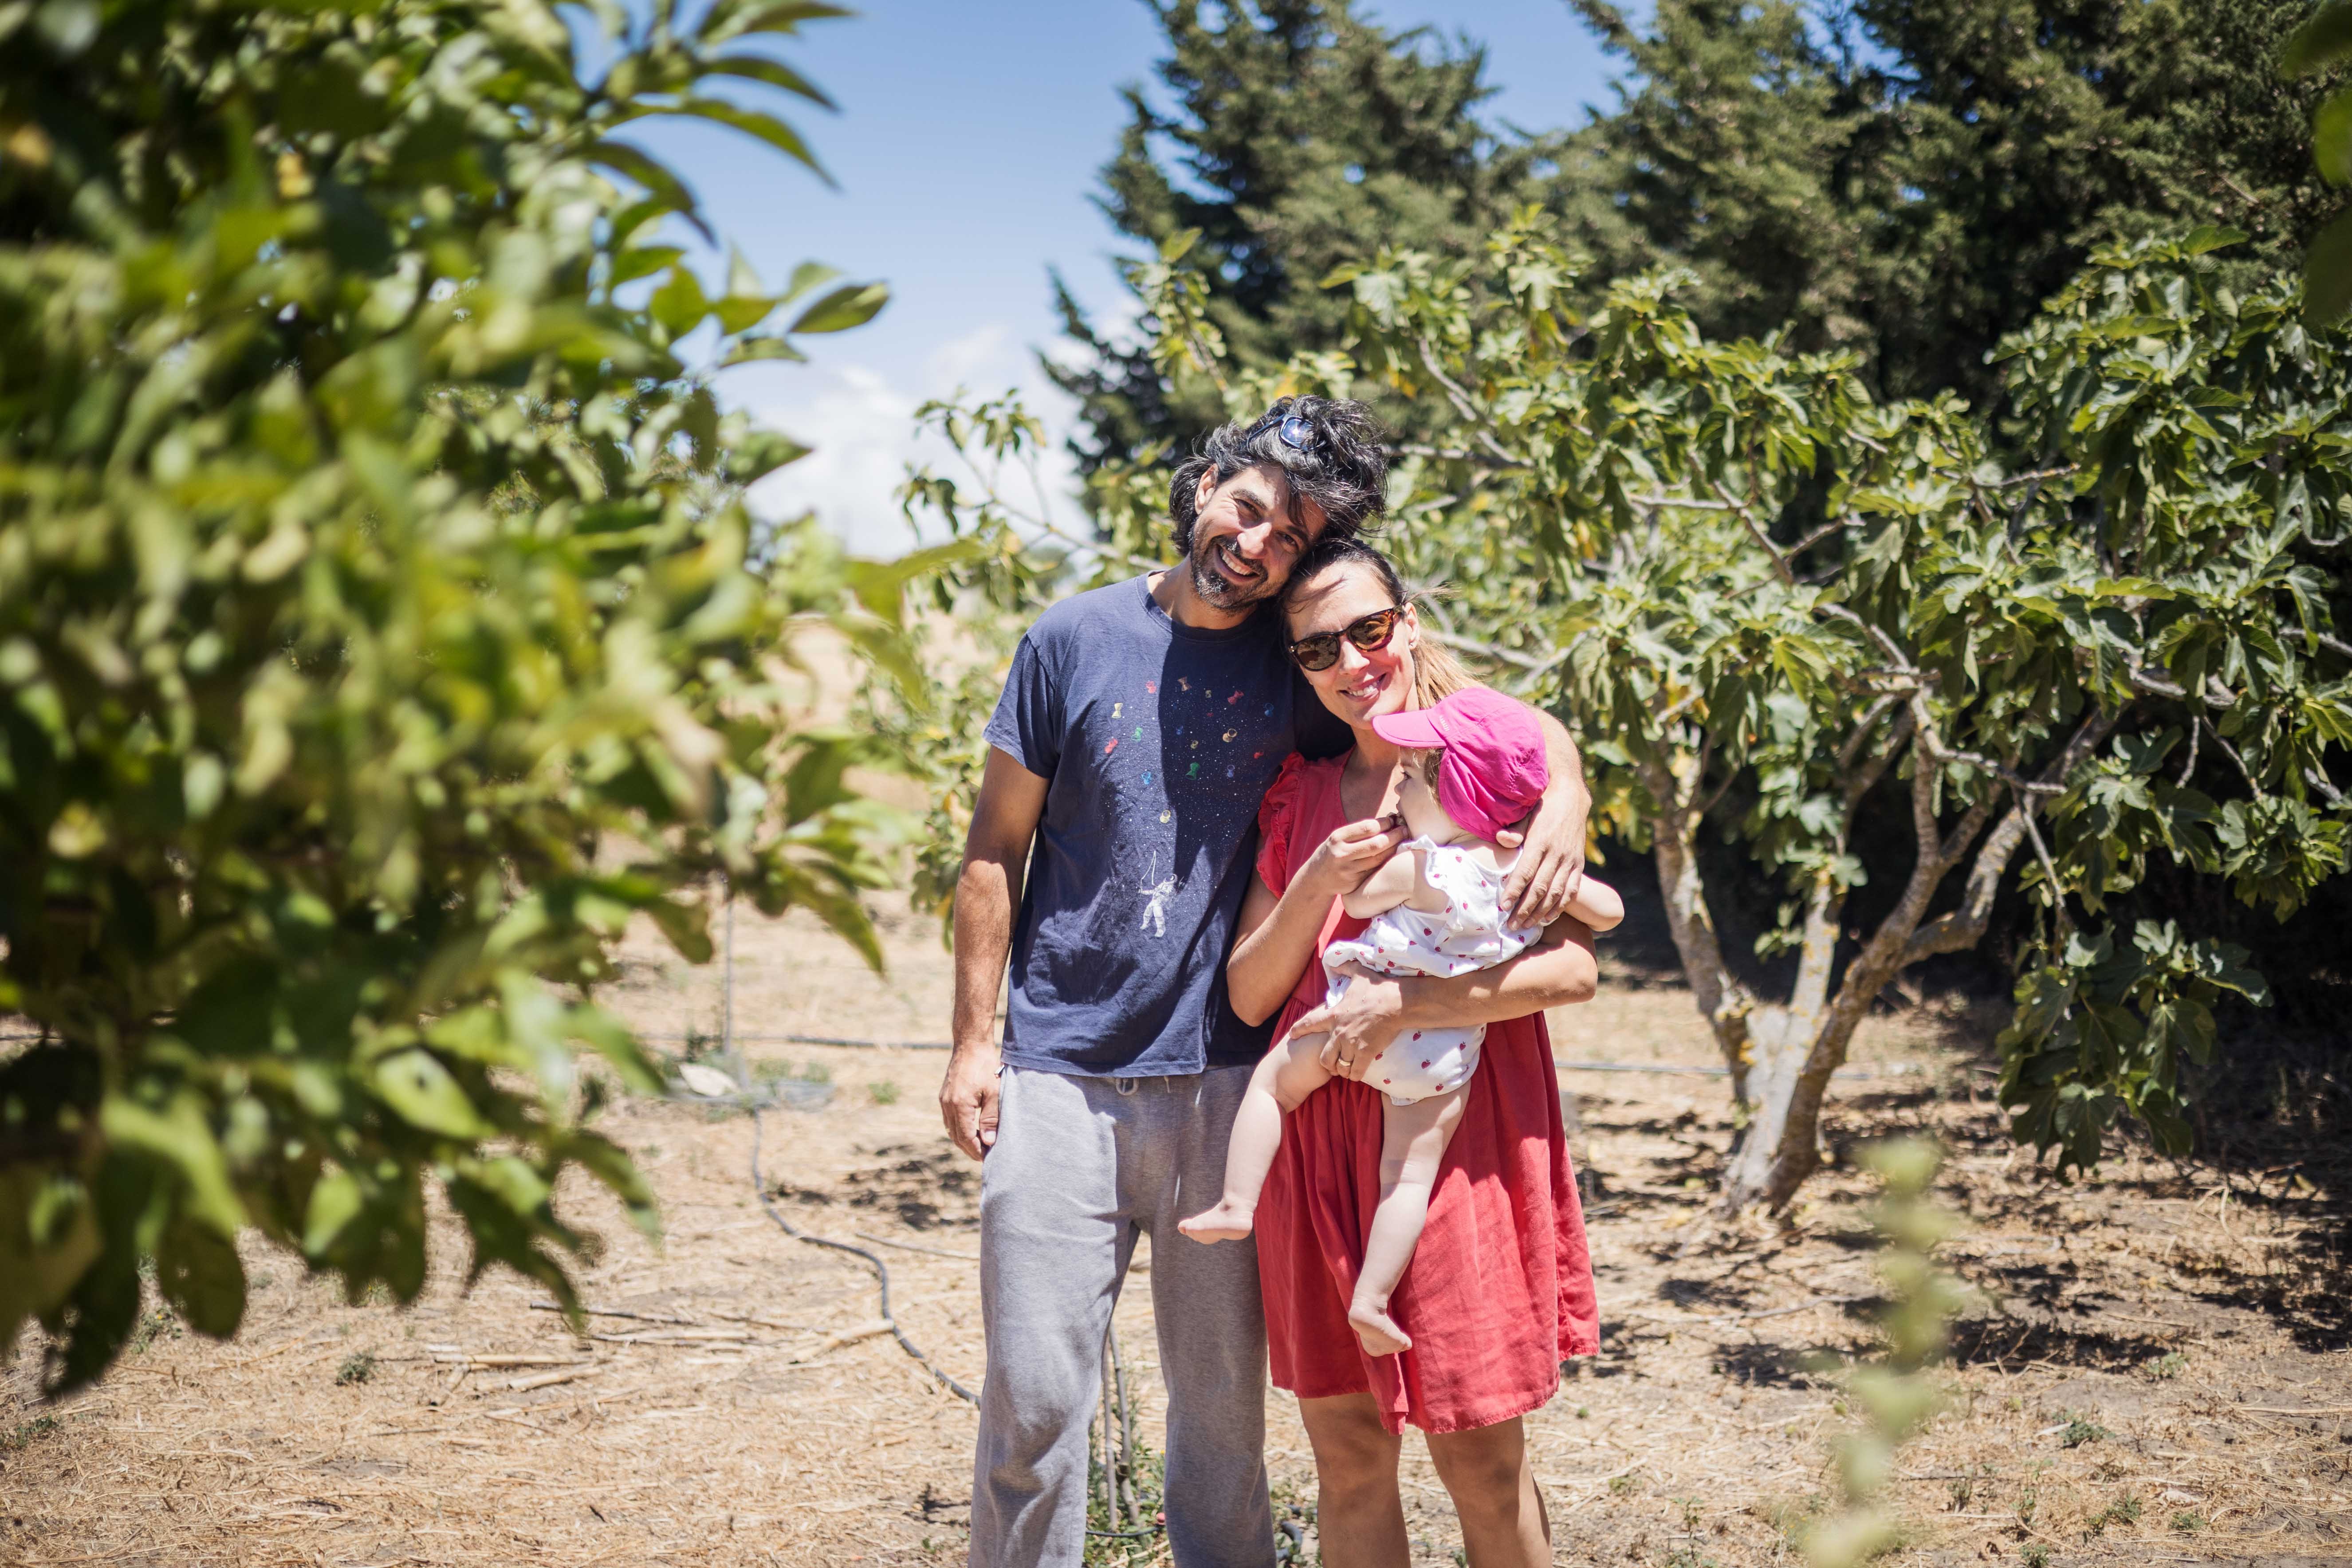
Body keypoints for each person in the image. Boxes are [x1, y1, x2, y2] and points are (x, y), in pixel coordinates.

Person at [940, 397, 1593, 1568]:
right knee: (1039, 1408)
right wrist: (971, 1039)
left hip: (1246, 1088)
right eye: (1248, 510)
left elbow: (1480, 716)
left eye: (1288, 536)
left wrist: (1569, 794)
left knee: (1231, 1436)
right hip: (1078, 1072)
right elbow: (995, 846)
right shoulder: (1075, 640)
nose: (1256, 544)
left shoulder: (1299, 659)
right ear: (1203, 486)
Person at [1230, 536, 1604, 1568]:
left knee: (1480, 1456)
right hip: (1314, 1146)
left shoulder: (1484, 768)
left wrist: (1405, 999)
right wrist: (1316, 880)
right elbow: (1251, 990)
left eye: (1368, 628)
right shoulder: (1295, 794)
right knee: (1348, 1455)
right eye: (1317, 650)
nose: (1352, 660)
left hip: (1454, 1133)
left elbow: (1573, 970)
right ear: (1295, 667)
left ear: (1407, 619)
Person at [1179, 686, 1622, 1358]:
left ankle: (1236, 1202)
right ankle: (1372, 1300)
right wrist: (1527, 846)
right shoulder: (1515, 867)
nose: (1399, 789)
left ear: (1454, 798)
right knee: (1408, 1176)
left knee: (1272, 1086)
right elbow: (1609, 911)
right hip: (1444, 1059)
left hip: (1348, 1025)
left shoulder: (1421, 864)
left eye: (1412, 779)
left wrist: (1360, 866)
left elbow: (1356, 898)